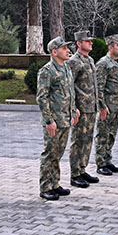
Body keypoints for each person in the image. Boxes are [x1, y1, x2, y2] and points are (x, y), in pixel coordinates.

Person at [36, 36, 79, 201]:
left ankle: (55, 183)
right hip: (54, 121)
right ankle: (45, 187)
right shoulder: (47, 71)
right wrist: (49, 121)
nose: (68, 50)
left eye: (68, 47)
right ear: (54, 52)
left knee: (58, 153)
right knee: (49, 153)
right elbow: (42, 97)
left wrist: (73, 111)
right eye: (64, 48)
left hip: (65, 119)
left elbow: (70, 93)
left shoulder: (66, 68)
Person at [65, 30, 100, 188]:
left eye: (91, 41)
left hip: (91, 107)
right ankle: (74, 174)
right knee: (78, 140)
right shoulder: (74, 61)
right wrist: (74, 108)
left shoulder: (90, 60)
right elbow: (69, 86)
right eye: (87, 41)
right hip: (81, 108)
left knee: (87, 139)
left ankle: (82, 169)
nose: (91, 43)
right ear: (79, 43)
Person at [94, 34, 118, 176]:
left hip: (117, 106)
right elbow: (99, 88)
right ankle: (100, 163)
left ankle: (107, 160)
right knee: (102, 135)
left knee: (111, 135)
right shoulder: (104, 63)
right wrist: (102, 107)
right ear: (110, 47)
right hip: (107, 107)